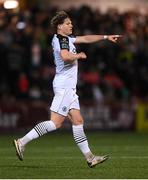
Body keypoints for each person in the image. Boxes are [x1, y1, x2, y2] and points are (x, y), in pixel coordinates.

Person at [13, 11, 122, 168]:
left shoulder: (67, 39)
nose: (71, 25)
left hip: (69, 88)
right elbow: (65, 56)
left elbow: (85, 38)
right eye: (68, 23)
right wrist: (78, 56)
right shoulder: (61, 39)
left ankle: (90, 158)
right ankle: (22, 141)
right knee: (55, 123)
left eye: (71, 23)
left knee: (78, 121)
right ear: (59, 26)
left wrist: (105, 37)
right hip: (64, 86)